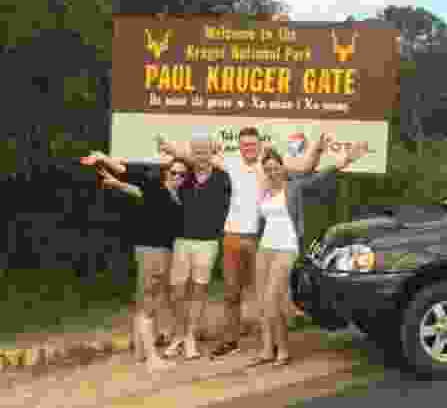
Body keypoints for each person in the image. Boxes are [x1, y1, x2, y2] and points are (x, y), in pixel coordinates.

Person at [156, 128, 343, 359]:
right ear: (239, 145)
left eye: (252, 144)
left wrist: (317, 148)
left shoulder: (268, 167)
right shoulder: (230, 164)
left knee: (265, 295)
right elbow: (198, 158)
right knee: (231, 294)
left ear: (259, 145)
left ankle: (274, 343)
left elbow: (305, 167)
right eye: (244, 144)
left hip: (259, 238)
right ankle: (231, 340)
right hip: (231, 237)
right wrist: (171, 149)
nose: (248, 148)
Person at [248, 141, 369, 367]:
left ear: (283, 167)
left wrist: (346, 160)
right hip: (265, 248)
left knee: (273, 300)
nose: (272, 172)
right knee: (262, 302)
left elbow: (320, 175)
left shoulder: (294, 186)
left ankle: (282, 350)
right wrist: (262, 152)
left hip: (287, 247)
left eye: (275, 167)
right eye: (268, 169)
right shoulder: (265, 190)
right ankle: (266, 349)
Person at [83, 152, 190, 372]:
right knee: (148, 304)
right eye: (173, 172)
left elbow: (136, 191)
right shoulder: (158, 187)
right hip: (151, 251)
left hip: (161, 252)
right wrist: (102, 157)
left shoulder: (173, 195)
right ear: (165, 173)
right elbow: (127, 171)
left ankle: (141, 353)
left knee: (147, 301)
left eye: (182, 174)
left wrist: (116, 185)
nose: (177, 176)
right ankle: (152, 359)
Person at [163, 132, 232, 360]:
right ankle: (179, 336)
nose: (201, 156)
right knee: (177, 292)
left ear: (212, 153)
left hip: (208, 243)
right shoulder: (183, 175)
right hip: (181, 240)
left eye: (205, 151)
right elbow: (169, 195)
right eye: (197, 151)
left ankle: (190, 337)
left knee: (198, 291)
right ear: (192, 154)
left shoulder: (223, 177)